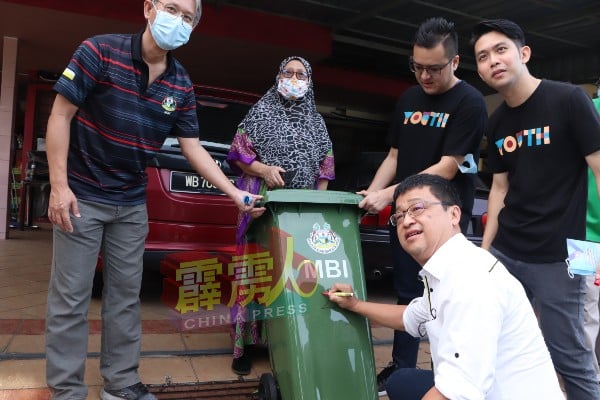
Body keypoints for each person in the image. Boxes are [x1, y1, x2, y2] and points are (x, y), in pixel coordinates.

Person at [44, 1, 258, 399]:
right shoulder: (98, 52)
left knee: (125, 299)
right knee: (70, 299)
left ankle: (121, 383)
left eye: (187, 17)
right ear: (149, 8)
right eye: (171, 9)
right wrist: (59, 185)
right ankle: (66, 390)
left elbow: (192, 149)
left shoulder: (181, 83)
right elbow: (60, 115)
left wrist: (234, 193)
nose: (177, 21)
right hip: (81, 197)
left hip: (130, 204)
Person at [327, 173, 564, 400]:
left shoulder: (470, 281)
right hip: (484, 388)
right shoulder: (447, 269)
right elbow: (409, 316)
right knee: (402, 381)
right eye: (398, 216)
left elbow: (454, 393)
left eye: (417, 208)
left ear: (454, 215)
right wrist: (355, 304)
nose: (407, 220)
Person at [471, 19, 600, 399]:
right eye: (482, 56)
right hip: (507, 250)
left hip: (569, 252)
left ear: (523, 53)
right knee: (494, 339)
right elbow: (499, 187)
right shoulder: (497, 123)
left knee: (569, 351)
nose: (492, 60)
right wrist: (485, 252)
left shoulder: (568, 99)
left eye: (500, 50)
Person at [357, 17, 487, 394]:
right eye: (417, 67)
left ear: (455, 62)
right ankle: (401, 369)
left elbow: (447, 167)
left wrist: (392, 194)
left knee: (447, 298)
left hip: (440, 222)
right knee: (407, 292)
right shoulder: (408, 99)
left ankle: (452, 375)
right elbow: (395, 154)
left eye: (434, 68)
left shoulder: (470, 102)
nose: (425, 76)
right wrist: (373, 192)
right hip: (405, 217)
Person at [226, 56, 335, 375]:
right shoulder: (261, 111)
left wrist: (318, 205)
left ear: (310, 81)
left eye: (301, 74)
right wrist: (263, 169)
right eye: (288, 72)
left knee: (291, 276)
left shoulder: (317, 121)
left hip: (300, 213)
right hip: (262, 206)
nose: (294, 78)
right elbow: (238, 152)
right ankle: (242, 347)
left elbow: (326, 164)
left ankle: (287, 342)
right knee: (253, 274)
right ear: (278, 76)